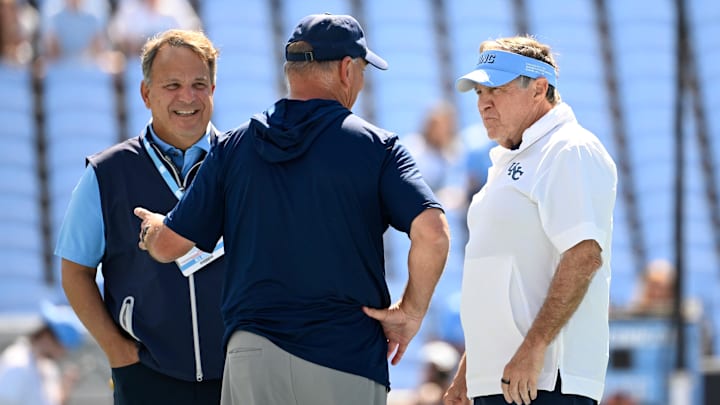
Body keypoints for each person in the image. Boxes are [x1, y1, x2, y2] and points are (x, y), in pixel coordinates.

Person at [134, 13, 450, 405]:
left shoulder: (233, 147)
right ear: (347, 69)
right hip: (345, 355)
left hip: (254, 355)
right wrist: (410, 313)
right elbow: (433, 233)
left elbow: (170, 245)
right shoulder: (377, 147)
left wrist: (152, 230)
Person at [443, 35, 618, 405]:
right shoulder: (509, 160)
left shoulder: (570, 149)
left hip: (543, 382)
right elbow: (503, 277)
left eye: (497, 89)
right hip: (505, 379)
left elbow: (584, 255)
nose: (483, 103)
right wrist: (469, 373)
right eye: (478, 93)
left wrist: (534, 348)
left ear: (539, 89)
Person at [54, 29, 225, 404]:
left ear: (213, 89)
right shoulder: (107, 173)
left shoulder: (242, 166)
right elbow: (74, 271)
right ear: (146, 94)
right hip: (147, 377)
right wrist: (118, 351)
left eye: (199, 83)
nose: (187, 97)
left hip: (238, 375)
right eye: (172, 85)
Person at [0, 302, 85, 405]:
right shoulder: (17, 364)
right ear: (47, 337)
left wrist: (65, 388)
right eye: (63, 347)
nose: (64, 353)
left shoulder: (47, 367)